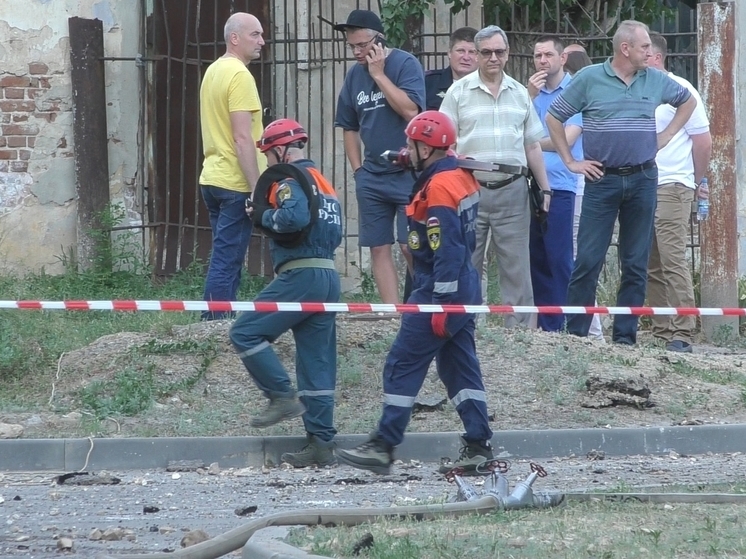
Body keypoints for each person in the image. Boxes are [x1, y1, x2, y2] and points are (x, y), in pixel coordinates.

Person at [336, 111, 494, 475]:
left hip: (441, 288)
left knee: (402, 362)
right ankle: (478, 444)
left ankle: (383, 445)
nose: (405, 149)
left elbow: (448, 251)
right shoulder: (457, 175)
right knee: (459, 368)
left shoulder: (438, 189)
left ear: (428, 147)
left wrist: (440, 305)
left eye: (411, 143)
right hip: (463, 287)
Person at [546, 20, 696, 345]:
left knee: (635, 262)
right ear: (625, 49)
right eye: (644, 46)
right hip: (602, 180)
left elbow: (688, 102)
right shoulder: (589, 79)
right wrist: (571, 161)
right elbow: (554, 116)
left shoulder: (655, 79)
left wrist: (666, 136)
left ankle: (625, 339)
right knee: (588, 259)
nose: (649, 51)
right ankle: (576, 336)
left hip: (643, 178)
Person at [229, 119, 343, 468]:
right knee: (316, 362)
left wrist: (262, 216)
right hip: (328, 276)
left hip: (301, 274)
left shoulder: (287, 180)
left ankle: (280, 395)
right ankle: (321, 443)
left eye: (267, 154)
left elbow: (292, 219)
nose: (266, 163)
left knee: (245, 331)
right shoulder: (323, 183)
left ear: (280, 150)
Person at [439, 25, 551, 329]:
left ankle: (523, 336)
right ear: (476, 54)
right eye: (486, 52)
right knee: (467, 264)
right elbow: (445, 145)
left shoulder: (519, 93)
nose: (493, 58)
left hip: (513, 188)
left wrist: (546, 189)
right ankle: (465, 328)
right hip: (469, 187)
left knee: (516, 266)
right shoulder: (457, 92)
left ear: (508, 54)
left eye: (499, 52)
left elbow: (532, 145)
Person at [334, 9, 426, 304]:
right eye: (352, 47)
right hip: (371, 175)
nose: (357, 52)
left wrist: (378, 74)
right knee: (378, 246)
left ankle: (426, 305)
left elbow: (411, 110)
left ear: (379, 40)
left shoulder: (404, 64)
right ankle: (392, 311)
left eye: (362, 45)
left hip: (406, 172)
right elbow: (348, 125)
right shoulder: (353, 76)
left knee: (409, 244)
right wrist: (358, 170)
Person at [199, 12, 268, 321]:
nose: (262, 41)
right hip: (234, 182)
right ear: (235, 38)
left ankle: (220, 319)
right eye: (255, 34)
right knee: (227, 259)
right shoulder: (239, 75)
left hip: (212, 176)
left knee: (227, 254)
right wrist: (256, 190)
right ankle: (212, 326)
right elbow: (242, 137)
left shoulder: (214, 70)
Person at [647, 32, 712, 353]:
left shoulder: (682, 90)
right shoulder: (639, 90)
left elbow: (703, 142)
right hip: (644, 185)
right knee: (651, 263)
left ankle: (683, 331)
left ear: (655, 57)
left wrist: (692, 180)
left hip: (673, 185)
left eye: (643, 50)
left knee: (673, 260)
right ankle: (660, 330)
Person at [526, 35, 582, 332]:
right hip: (531, 184)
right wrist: (529, 97)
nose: (543, 61)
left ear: (563, 59)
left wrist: (530, 143)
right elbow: (515, 129)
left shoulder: (575, 91)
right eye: (538, 56)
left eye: (549, 55)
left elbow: (567, 140)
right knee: (537, 259)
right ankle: (548, 326)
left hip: (561, 185)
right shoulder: (529, 95)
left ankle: (567, 324)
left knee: (559, 258)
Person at [562, 45, 605, 341]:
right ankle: (585, 328)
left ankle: (593, 331)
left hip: (579, 187)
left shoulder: (581, 98)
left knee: (581, 259)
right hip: (572, 186)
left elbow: (567, 137)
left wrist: (530, 143)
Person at [424, 26, 478, 110]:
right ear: (449, 53)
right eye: (460, 51)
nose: (466, 57)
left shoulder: (487, 86)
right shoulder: (428, 83)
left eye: (472, 52)